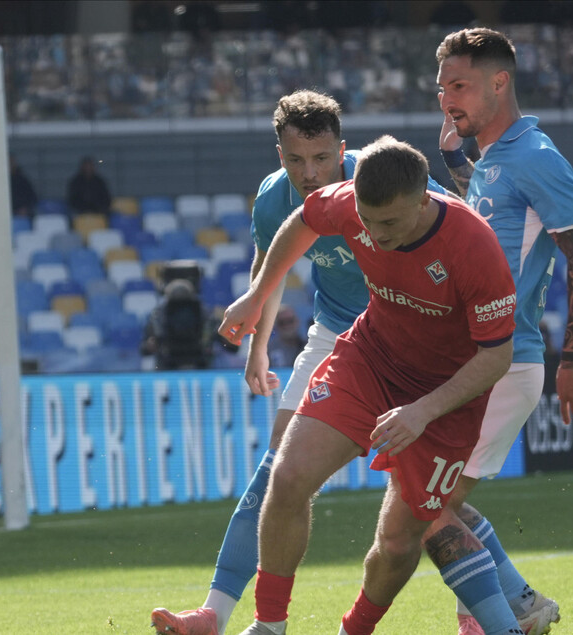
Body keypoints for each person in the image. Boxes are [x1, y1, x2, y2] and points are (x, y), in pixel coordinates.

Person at [151, 89, 451, 635]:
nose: (309, 173)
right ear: (279, 154)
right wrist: (258, 345)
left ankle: (507, 601)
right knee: (278, 470)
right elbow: (272, 267)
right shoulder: (273, 200)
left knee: (426, 498)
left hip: (412, 337)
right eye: (295, 160)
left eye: (321, 159)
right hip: (338, 332)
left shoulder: (384, 179)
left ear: (343, 149)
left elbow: (452, 235)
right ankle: (217, 614)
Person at [223, 136, 522, 635]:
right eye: (367, 220)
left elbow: (497, 356)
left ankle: (355, 629)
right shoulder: (349, 203)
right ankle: (267, 626)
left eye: (390, 223)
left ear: (425, 200)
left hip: (447, 397)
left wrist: (424, 410)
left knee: (400, 542)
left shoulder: (473, 244)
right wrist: (258, 295)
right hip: (370, 361)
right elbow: (303, 221)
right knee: (289, 475)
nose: (375, 234)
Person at [408, 27, 573, 635]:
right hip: (477, 363)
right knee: (436, 502)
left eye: (459, 86)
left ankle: (503, 617)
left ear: (500, 82)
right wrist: (455, 167)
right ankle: (514, 605)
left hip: (506, 362)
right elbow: (498, 226)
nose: (447, 100)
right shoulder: (494, 159)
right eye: (441, 88)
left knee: (427, 507)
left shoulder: (538, 157)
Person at [141, 278, 212, 370]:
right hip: (167, 363)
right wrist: (150, 345)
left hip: (199, 362)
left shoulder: (202, 313)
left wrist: (208, 340)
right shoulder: (159, 316)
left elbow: (230, 346)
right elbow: (143, 349)